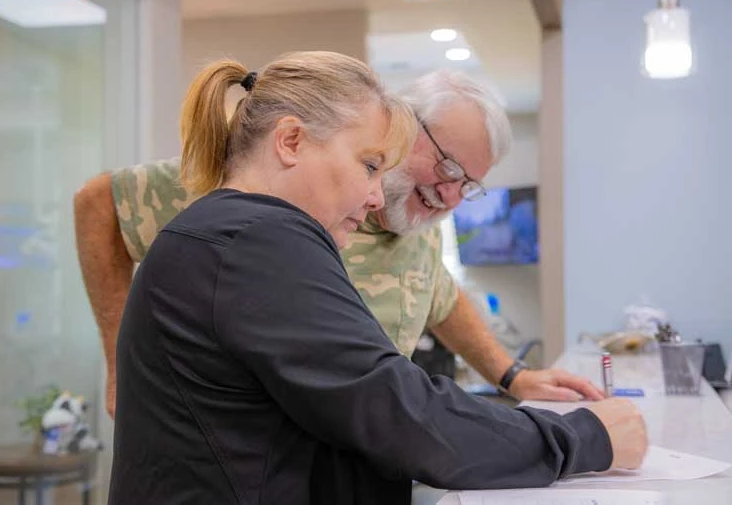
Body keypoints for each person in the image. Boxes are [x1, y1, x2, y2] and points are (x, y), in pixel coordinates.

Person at [108, 51, 647, 505]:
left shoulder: (230, 231)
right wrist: (587, 436)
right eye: (369, 165)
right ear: (290, 141)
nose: (373, 196)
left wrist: (511, 378)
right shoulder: (259, 240)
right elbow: (402, 415)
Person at [75, 69, 604, 420]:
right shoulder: (270, 194)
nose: (448, 196)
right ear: (401, 126)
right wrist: (120, 362)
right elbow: (99, 205)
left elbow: (440, 297)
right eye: (446, 169)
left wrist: (512, 375)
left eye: (467, 185)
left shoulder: (418, 215)